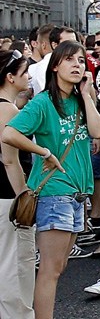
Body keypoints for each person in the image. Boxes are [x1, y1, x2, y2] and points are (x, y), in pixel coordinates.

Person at [2, 41, 100, 319]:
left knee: (59, 267)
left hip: (76, 194)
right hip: (54, 191)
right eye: (69, 60)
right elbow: (10, 133)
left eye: (81, 61)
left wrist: (86, 95)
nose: (77, 65)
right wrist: (43, 151)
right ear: (55, 66)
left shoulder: (79, 100)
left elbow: (99, 130)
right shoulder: (43, 102)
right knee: (50, 269)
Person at [0, 50, 34, 318]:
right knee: (15, 266)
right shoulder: (8, 110)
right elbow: (10, 161)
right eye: (24, 72)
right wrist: (25, 195)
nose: (30, 75)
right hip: (7, 196)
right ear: (10, 78)